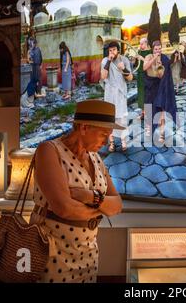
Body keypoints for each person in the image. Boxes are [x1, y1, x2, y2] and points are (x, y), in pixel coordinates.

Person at [31, 100, 123, 283]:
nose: (106, 141)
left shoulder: (96, 159)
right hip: (51, 252)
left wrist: (89, 196)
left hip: (88, 252)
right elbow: (64, 209)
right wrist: (101, 211)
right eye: (103, 134)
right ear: (83, 128)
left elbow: (118, 205)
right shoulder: (49, 151)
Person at [101, 41, 133, 152]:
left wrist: (123, 69)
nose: (112, 52)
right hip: (109, 93)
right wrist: (109, 61)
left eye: (114, 50)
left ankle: (124, 141)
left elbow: (130, 78)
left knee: (122, 118)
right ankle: (112, 143)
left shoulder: (124, 60)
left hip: (120, 93)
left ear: (118, 50)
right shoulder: (105, 61)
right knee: (110, 118)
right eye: (110, 50)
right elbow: (103, 76)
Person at [143, 40, 177, 143]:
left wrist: (161, 66)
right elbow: (144, 68)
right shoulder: (148, 56)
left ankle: (162, 133)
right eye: (156, 49)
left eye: (159, 49)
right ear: (152, 49)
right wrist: (154, 58)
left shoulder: (164, 58)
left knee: (161, 110)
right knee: (149, 110)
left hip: (161, 87)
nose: (158, 51)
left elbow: (164, 75)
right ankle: (149, 133)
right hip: (150, 87)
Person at [136, 38, 152, 118]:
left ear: (146, 43)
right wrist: (135, 58)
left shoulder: (150, 52)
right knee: (141, 93)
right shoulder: (139, 52)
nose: (140, 45)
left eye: (142, 44)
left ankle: (148, 113)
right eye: (140, 43)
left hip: (147, 74)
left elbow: (150, 63)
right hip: (140, 74)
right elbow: (137, 63)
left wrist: (141, 58)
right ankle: (142, 113)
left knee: (147, 94)